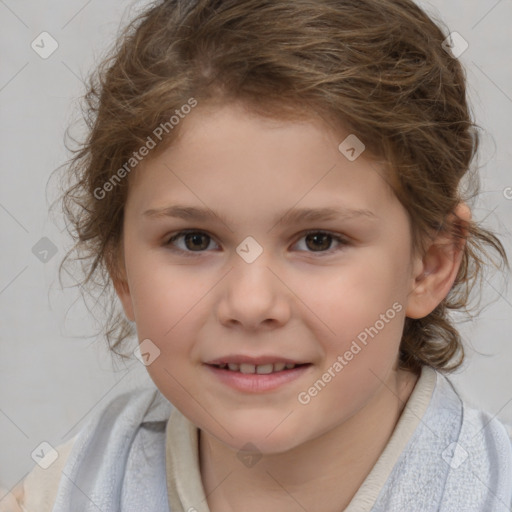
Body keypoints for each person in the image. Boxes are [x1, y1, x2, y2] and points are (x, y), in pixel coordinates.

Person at [1, 0, 511, 510]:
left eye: (318, 240)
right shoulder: (63, 494)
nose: (250, 303)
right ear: (122, 270)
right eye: (194, 240)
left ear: (430, 264)